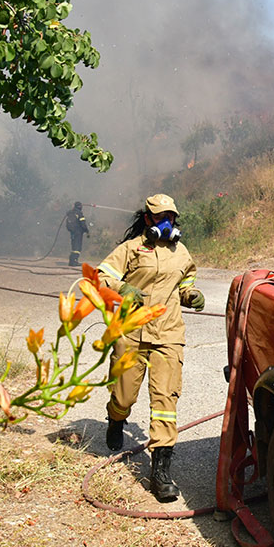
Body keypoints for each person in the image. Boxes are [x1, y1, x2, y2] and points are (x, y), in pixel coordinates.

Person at [96, 193, 206, 501]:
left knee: (165, 401)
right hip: (131, 332)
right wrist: (122, 287)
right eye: (160, 217)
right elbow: (101, 278)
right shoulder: (130, 249)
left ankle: (160, 473)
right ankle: (116, 418)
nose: (166, 222)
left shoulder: (180, 251)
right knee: (124, 395)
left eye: (170, 217)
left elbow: (186, 282)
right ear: (148, 219)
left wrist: (191, 295)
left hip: (168, 334)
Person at [65, 201, 89, 267]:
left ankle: (72, 261)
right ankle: (74, 261)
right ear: (80, 207)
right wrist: (87, 231)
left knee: (74, 246)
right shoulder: (79, 213)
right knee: (77, 247)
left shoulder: (71, 213)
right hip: (78, 232)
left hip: (72, 232)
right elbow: (83, 224)